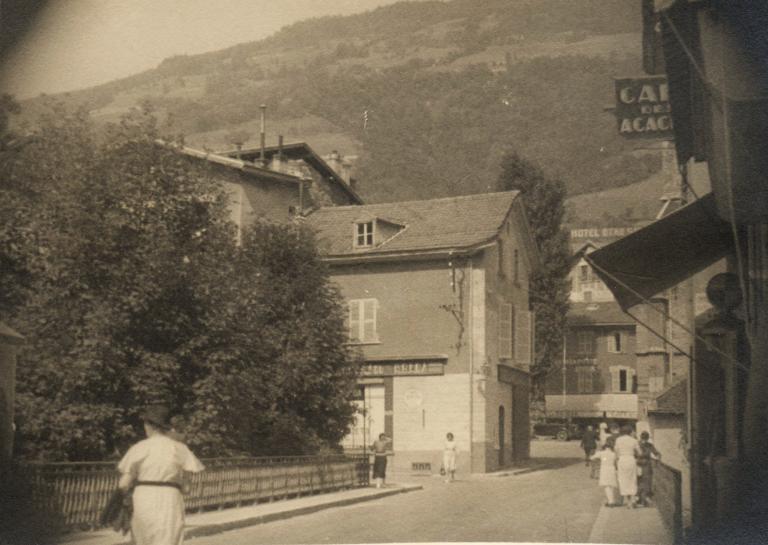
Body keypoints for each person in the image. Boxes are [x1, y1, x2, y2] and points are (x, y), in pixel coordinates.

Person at [118, 405, 204, 545]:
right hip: (170, 499)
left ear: (149, 425)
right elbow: (187, 489)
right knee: (168, 537)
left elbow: (123, 484)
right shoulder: (180, 449)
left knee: (144, 539)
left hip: (143, 498)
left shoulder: (139, 447)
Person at [614, 424, 641, 508]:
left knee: (623, 479)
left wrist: (617, 460)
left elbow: (616, 452)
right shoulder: (634, 440)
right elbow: (639, 452)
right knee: (632, 479)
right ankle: (633, 500)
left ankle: (627, 501)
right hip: (631, 459)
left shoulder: (618, 440)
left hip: (622, 460)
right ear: (630, 432)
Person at [591, 436, 619, 507]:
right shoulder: (614, 454)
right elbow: (617, 460)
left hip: (604, 469)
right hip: (612, 469)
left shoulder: (601, 453)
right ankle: (612, 500)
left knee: (606, 486)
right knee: (611, 485)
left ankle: (610, 501)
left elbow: (592, 458)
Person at [636, 431, 661, 507]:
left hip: (641, 465)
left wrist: (657, 457)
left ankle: (641, 500)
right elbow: (657, 453)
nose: (644, 440)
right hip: (644, 465)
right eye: (644, 438)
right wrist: (657, 458)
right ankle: (642, 500)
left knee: (642, 482)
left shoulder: (642, 445)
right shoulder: (647, 445)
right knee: (645, 482)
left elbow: (657, 453)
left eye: (645, 439)